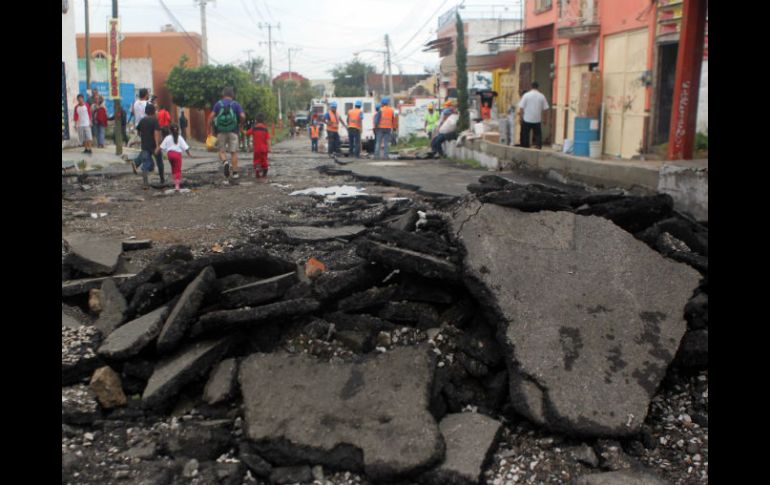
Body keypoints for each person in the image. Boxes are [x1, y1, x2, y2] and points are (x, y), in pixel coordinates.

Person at [209, 87, 246, 178]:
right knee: (233, 152)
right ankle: (235, 173)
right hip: (233, 130)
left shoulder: (218, 104)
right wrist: (241, 124)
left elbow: (211, 117)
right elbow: (242, 115)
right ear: (232, 95)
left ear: (223, 94)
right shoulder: (235, 104)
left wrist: (210, 130)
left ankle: (225, 162)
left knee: (221, 151)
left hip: (220, 131)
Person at [132, 104, 163, 189]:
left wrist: (142, 138)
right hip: (153, 146)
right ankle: (162, 180)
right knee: (159, 163)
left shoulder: (142, 121)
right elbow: (156, 133)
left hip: (145, 145)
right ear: (153, 111)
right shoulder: (155, 121)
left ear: (146, 111)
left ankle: (145, 183)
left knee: (146, 163)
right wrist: (157, 145)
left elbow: (138, 131)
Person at [159, 123, 193, 192]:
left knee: (173, 168)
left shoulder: (167, 137)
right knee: (178, 170)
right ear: (178, 130)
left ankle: (175, 182)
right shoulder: (179, 137)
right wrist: (189, 154)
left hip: (170, 155)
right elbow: (185, 147)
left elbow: (161, 147)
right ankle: (177, 186)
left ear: (170, 130)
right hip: (177, 155)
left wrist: (156, 152)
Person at [518, 81, 549, 149]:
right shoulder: (541, 96)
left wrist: (520, 118)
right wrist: (545, 119)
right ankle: (538, 146)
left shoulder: (526, 95)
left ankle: (525, 147)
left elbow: (521, 108)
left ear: (531, 87)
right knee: (538, 134)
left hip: (527, 119)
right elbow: (546, 109)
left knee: (525, 134)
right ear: (538, 87)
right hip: (537, 119)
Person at [246, 113, 271, 179]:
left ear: (256, 120)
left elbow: (247, 133)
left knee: (257, 161)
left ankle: (257, 174)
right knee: (264, 160)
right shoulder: (265, 129)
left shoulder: (254, 128)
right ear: (263, 120)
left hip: (256, 150)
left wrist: (241, 130)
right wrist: (269, 148)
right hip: (264, 149)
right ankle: (264, 173)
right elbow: (268, 139)